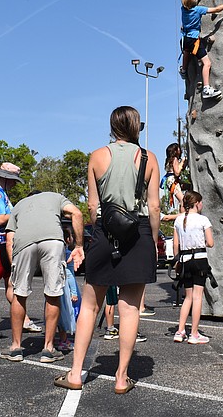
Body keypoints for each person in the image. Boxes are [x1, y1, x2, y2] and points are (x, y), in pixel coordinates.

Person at [55, 106, 161, 394]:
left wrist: (101, 230)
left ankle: (76, 373)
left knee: (90, 305)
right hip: (137, 232)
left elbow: (91, 206)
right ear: (137, 126)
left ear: (113, 126)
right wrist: (152, 239)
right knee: (129, 309)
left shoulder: (98, 156)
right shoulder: (149, 158)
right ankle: (121, 377)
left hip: (105, 231)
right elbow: (154, 207)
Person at [4, 191, 84, 363]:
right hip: (52, 240)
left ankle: (16, 347)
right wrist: (79, 245)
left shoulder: (19, 204)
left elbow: (9, 239)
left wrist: (14, 267)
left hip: (23, 242)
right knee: (53, 293)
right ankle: (48, 348)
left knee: (20, 293)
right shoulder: (55, 197)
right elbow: (77, 213)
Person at [0, 163, 37, 337]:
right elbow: (1, 219)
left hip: (5, 242)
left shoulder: (1, 193)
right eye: (12, 181)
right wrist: (23, 212)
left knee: (11, 282)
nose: (14, 184)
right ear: (5, 178)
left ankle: (24, 319)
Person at [180, 0, 223, 99]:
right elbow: (217, 9)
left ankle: (183, 70)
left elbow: (188, 3)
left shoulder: (183, 9)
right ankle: (206, 89)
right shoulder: (198, 10)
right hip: (195, 41)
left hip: (186, 39)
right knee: (207, 63)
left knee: (186, 52)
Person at [172, 191, 215, 344]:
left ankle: (180, 330)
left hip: (184, 259)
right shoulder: (203, 220)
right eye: (201, 202)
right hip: (199, 259)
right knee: (197, 297)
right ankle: (194, 334)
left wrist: (177, 262)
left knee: (188, 297)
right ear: (196, 203)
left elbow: (175, 245)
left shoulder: (178, 220)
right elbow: (210, 243)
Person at [160, 143, 186, 215]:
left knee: (182, 200)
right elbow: (177, 172)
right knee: (183, 201)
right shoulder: (174, 159)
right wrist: (182, 162)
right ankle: (183, 216)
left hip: (169, 180)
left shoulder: (169, 160)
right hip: (172, 180)